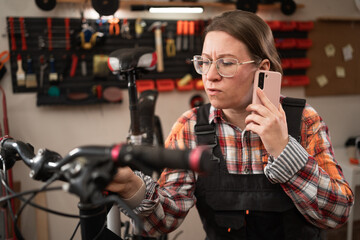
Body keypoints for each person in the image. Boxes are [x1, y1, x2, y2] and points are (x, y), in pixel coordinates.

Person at [106, 10, 354, 239]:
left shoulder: (304, 121)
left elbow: (337, 215)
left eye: (226, 63)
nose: (210, 75)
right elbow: (162, 220)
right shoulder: (190, 127)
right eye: (204, 62)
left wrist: (284, 149)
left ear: (262, 69)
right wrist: (130, 186)